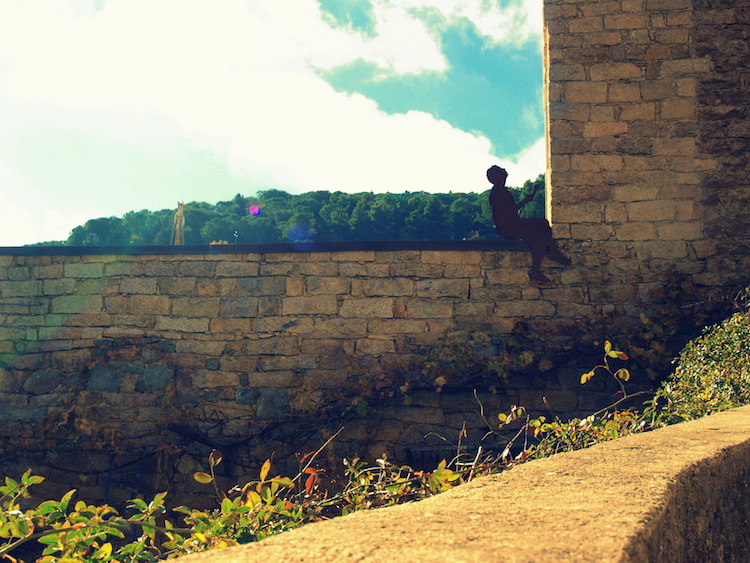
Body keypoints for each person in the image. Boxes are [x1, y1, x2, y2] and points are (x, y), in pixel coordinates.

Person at [487, 165, 570, 283]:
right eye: (502, 176)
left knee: (542, 225)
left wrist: (527, 198)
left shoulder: (500, 191)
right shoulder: (499, 193)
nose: (504, 178)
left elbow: (510, 210)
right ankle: (543, 262)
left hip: (509, 225)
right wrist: (526, 200)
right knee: (541, 227)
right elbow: (510, 211)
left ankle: (550, 252)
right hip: (509, 227)